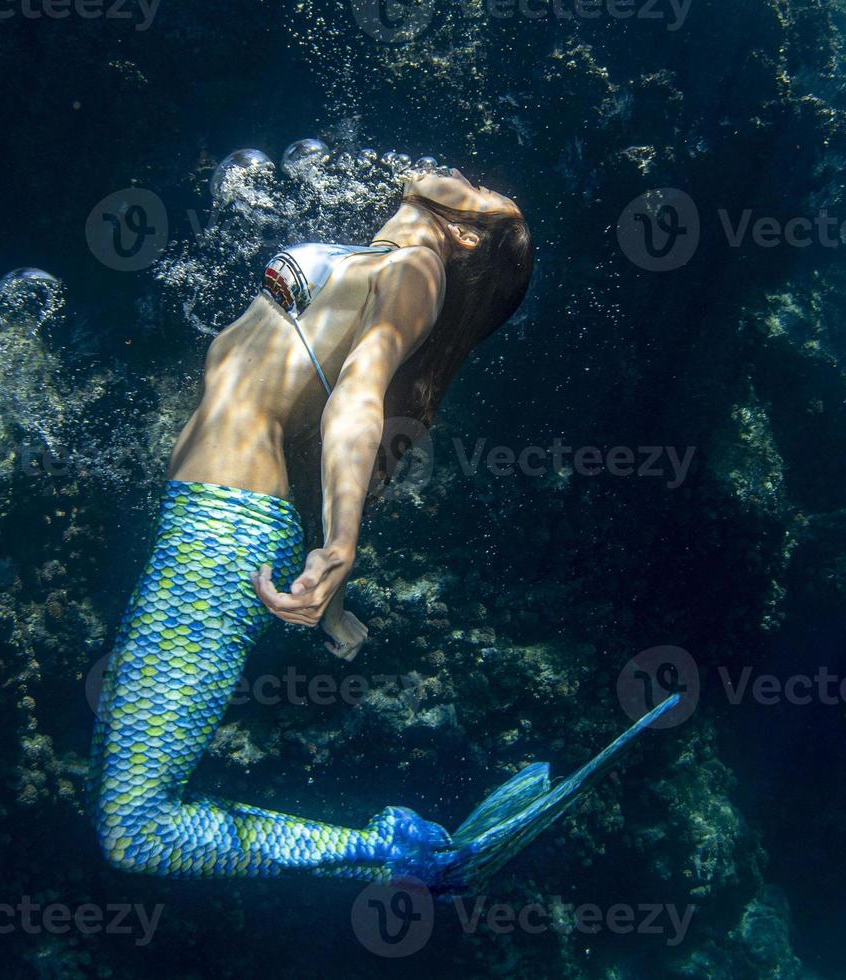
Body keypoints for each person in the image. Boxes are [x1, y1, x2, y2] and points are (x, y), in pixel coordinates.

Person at [89, 168, 678, 887]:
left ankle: (412, 857)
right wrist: (330, 593)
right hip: (207, 518)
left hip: (224, 525)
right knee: (110, 768)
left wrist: (341, 545)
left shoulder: (420, 271)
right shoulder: (382, 258)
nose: (464, 175)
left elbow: (358, 398)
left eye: (492, 197)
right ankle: (416, 858)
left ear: (466, 236)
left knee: (136, 828)